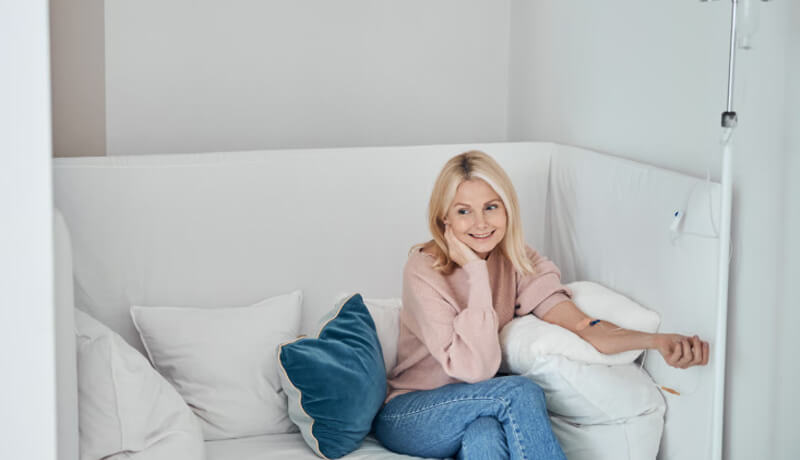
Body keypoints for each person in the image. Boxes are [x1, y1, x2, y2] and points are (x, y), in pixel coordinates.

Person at [372, 150, 710, 460]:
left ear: (507, 209)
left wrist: (656, 341)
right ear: (444, 219)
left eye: (491, 207)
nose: (480, 223)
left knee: (485, 438)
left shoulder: (517, 262)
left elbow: (582, 327)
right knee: (518, 393)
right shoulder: (423, 269)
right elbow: (474, 370)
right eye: (464, 212)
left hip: (478, 412)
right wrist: (475, 271)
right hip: (410, 414)